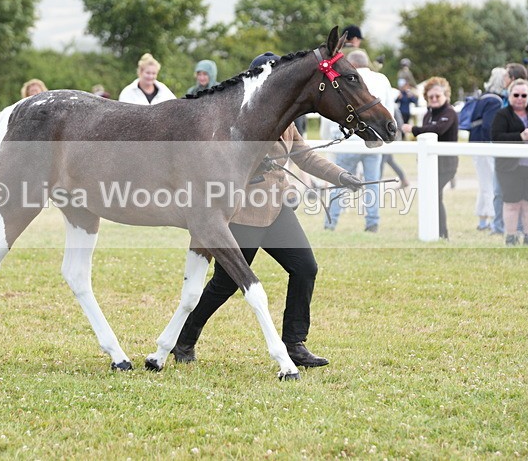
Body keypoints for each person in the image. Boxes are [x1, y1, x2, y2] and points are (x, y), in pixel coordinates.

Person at [170, 52, 363, 368]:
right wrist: (257, 161)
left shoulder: (285, 116)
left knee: (305, 268)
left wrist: (340, 176)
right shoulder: (240, 114)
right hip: (245, 209)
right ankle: (184, 341)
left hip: (277, 208)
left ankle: (295, 345)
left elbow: (304, 156)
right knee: (226, 283)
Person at [322, 50, 393, 232]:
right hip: (374, 139)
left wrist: (327, 137)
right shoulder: (382, 79)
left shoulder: (342, 79)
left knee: (340, 181)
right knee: (372, 182)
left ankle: (331, 222)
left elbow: (328, 113)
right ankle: (372, 223)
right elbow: (388, 110)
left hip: (348, 140)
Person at [491, 79, 528, 246]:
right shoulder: (502, 115)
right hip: (510, 168)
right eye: (516, 95)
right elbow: (497, 138)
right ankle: (511, 237)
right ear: (509, 95)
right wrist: (520, 137)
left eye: (524, 95)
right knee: (512, 203)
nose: (519, 98)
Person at [401, 77, 459, 239]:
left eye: (437, 96)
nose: (434, 99)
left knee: (435, 196)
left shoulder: (449, 112)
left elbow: (437, 130)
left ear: (446, 96)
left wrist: (413, 129)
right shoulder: (428, 114)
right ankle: (435, 232)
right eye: (431, 96)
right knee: (432, 197)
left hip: (446, 165)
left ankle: (442, 233)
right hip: (429, 164)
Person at [470, 68, 505, 231]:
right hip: (485, 145)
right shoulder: (495, 101)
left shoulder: (484, 97)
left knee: (484, 183)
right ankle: (491, 220)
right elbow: (488, 126)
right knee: (489, 184)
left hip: (477, 144)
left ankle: (482, 220)